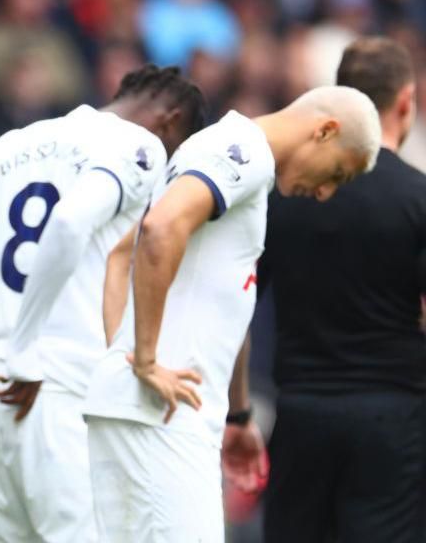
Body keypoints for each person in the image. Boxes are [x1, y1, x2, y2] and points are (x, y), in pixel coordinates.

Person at [0, 64, 206, 542]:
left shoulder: (20, 141)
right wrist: (25, 345)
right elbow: (67, 223)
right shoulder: (138, 145)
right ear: (170, 121)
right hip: (62, 393)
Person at [84, 85, 381, 542]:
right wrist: (141, 359)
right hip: (161, 418)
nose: (324, 193)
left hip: (149, 410)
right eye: (338, 173)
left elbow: (123, 254)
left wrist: (236, 414)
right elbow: (159, 230)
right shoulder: (244, 154)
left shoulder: (232, 160)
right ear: (325, 131)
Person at [260, 37, 426, 542]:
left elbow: (241, 300)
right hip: (392, 420)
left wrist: (239, 411)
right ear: (405, 101)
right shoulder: (417, 198)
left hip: (300, 413)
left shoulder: (285, 192)